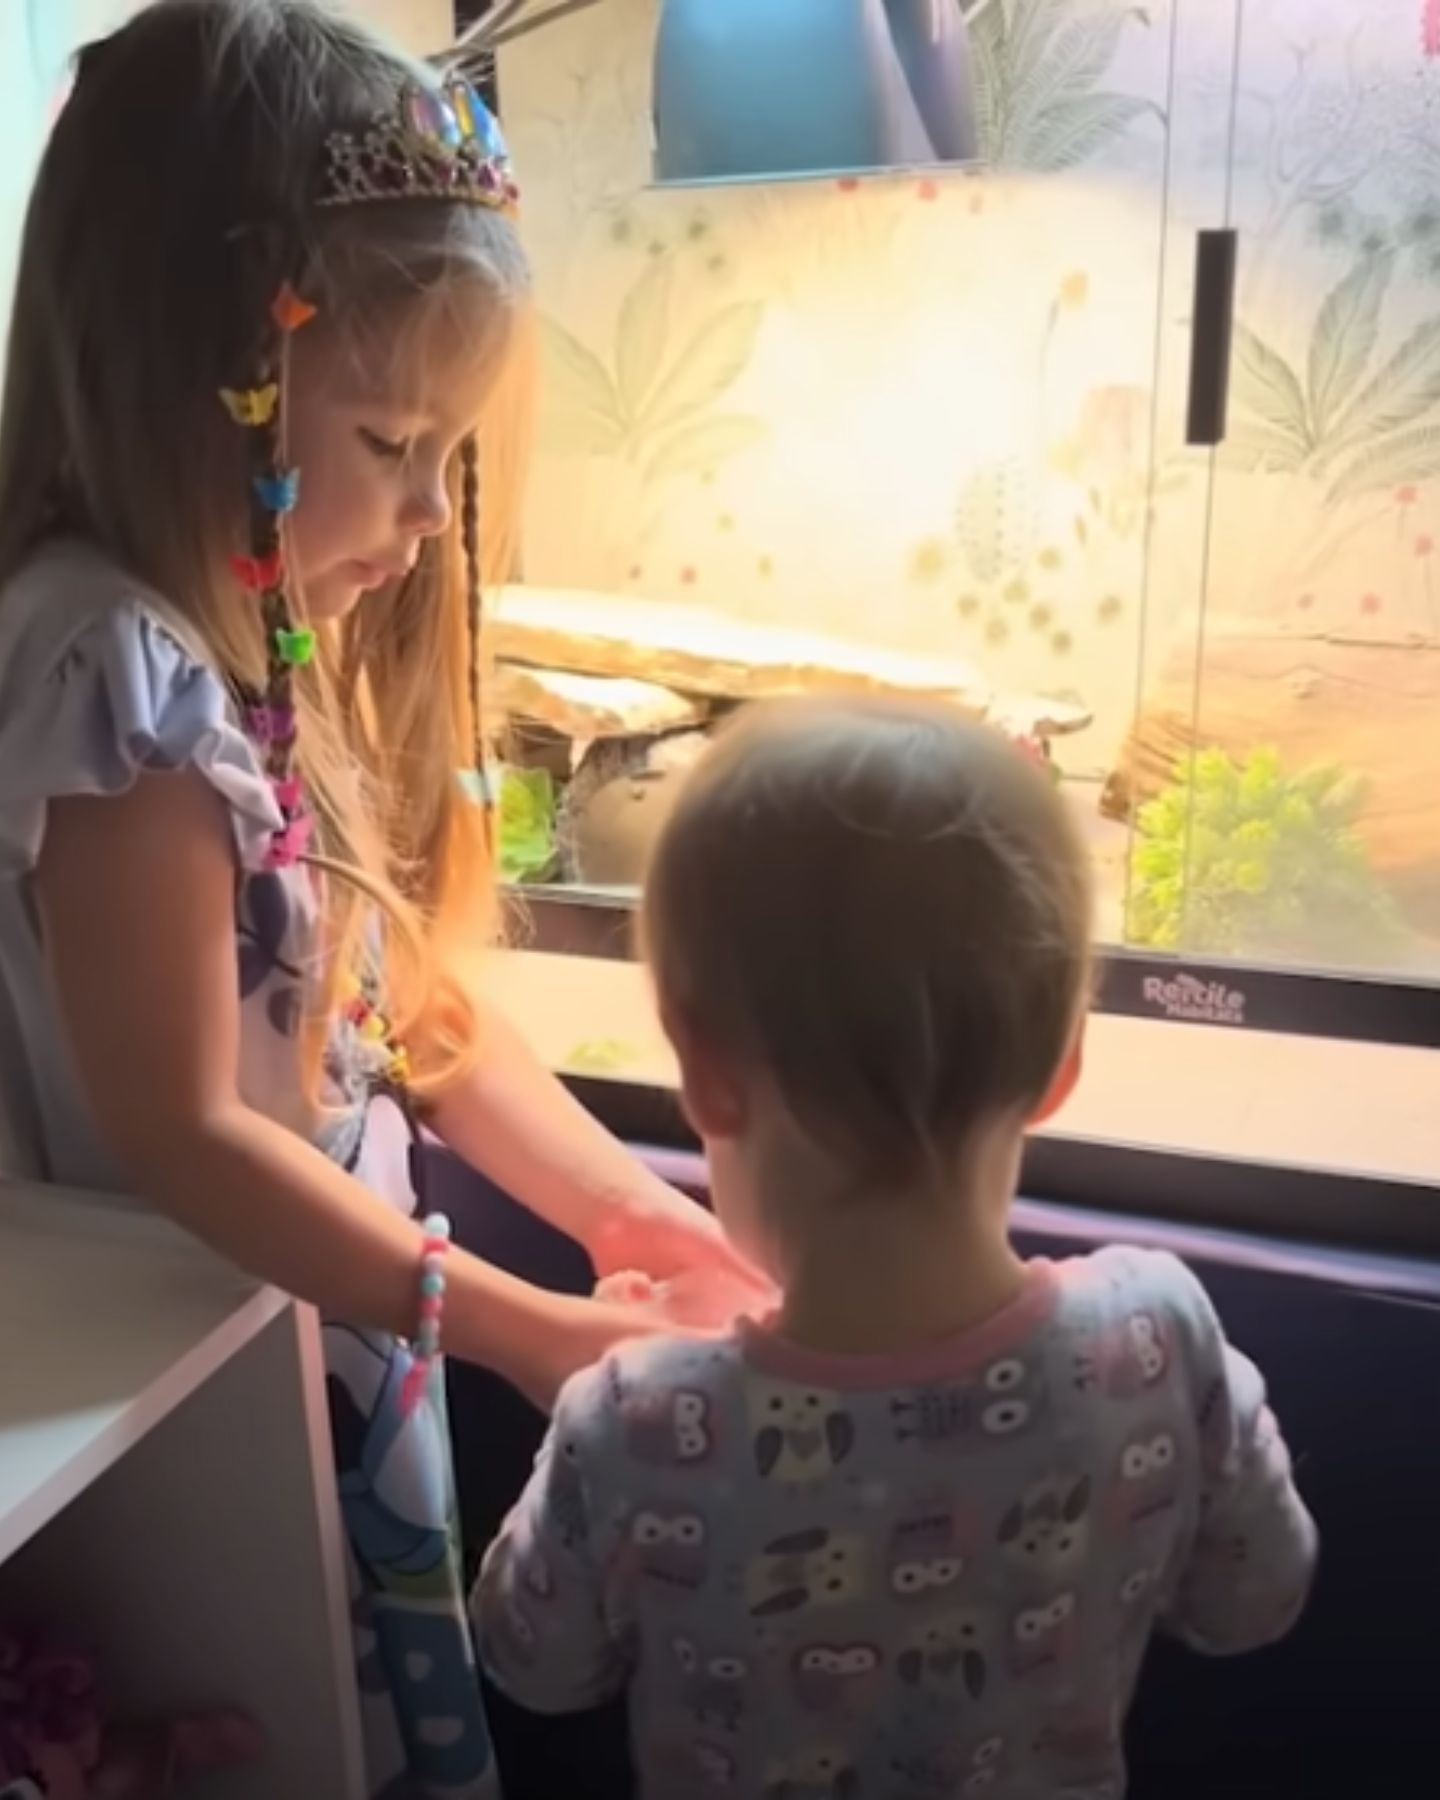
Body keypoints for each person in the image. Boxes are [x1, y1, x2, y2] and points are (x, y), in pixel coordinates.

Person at [0, 4, 765, 1795]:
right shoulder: (109, 666)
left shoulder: (251, 628)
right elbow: (190, 1130)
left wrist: (627, 1222)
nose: (426, 514)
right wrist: (526, 1331)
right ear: (209, 377)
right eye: (391, 439)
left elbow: (401, 1009)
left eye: (448, 458)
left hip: (335, 1326)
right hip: (208, 1373)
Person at [475, 697, 1318, 1799]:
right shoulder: (1158, 1339)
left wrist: (649, 1393)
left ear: (707, 1080)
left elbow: (529, 1662)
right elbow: (1256, 1595)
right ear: (1061, 1067)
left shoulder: (636, 1420)